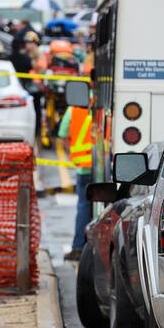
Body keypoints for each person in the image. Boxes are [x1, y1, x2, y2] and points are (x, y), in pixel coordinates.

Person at [59, 103, 93, 261]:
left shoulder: (74, 108)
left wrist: (73, 154)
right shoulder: (106, 103)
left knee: (84, 206)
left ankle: (79, 248)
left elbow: (63, 133)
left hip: (84, 167)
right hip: (104, 164)